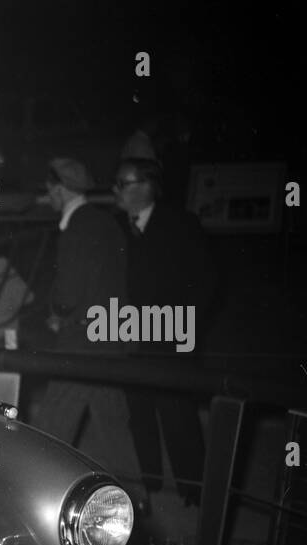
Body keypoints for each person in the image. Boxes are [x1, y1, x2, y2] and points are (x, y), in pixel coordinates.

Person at [36, 157, 145, 506]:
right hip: (110, 336)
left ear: (60, 189)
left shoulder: (75, 228)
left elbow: (68, 291)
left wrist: (56, 314)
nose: (49, 197)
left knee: (52, 427)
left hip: (82, 340)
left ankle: (37, 496)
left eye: (50, 190)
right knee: (114, 429)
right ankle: (138, 501)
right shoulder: (104, 222)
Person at [114, 157, 216, 506]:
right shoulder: (117, 226)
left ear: (146, 186)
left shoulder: (180, 224)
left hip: (170, 338)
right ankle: (151, 483)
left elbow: (204, 283)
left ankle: (192, 489)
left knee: (178, 416)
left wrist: (184, 329)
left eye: (123, 183)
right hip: (129, 336)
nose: (117, 191)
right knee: (138, 414)